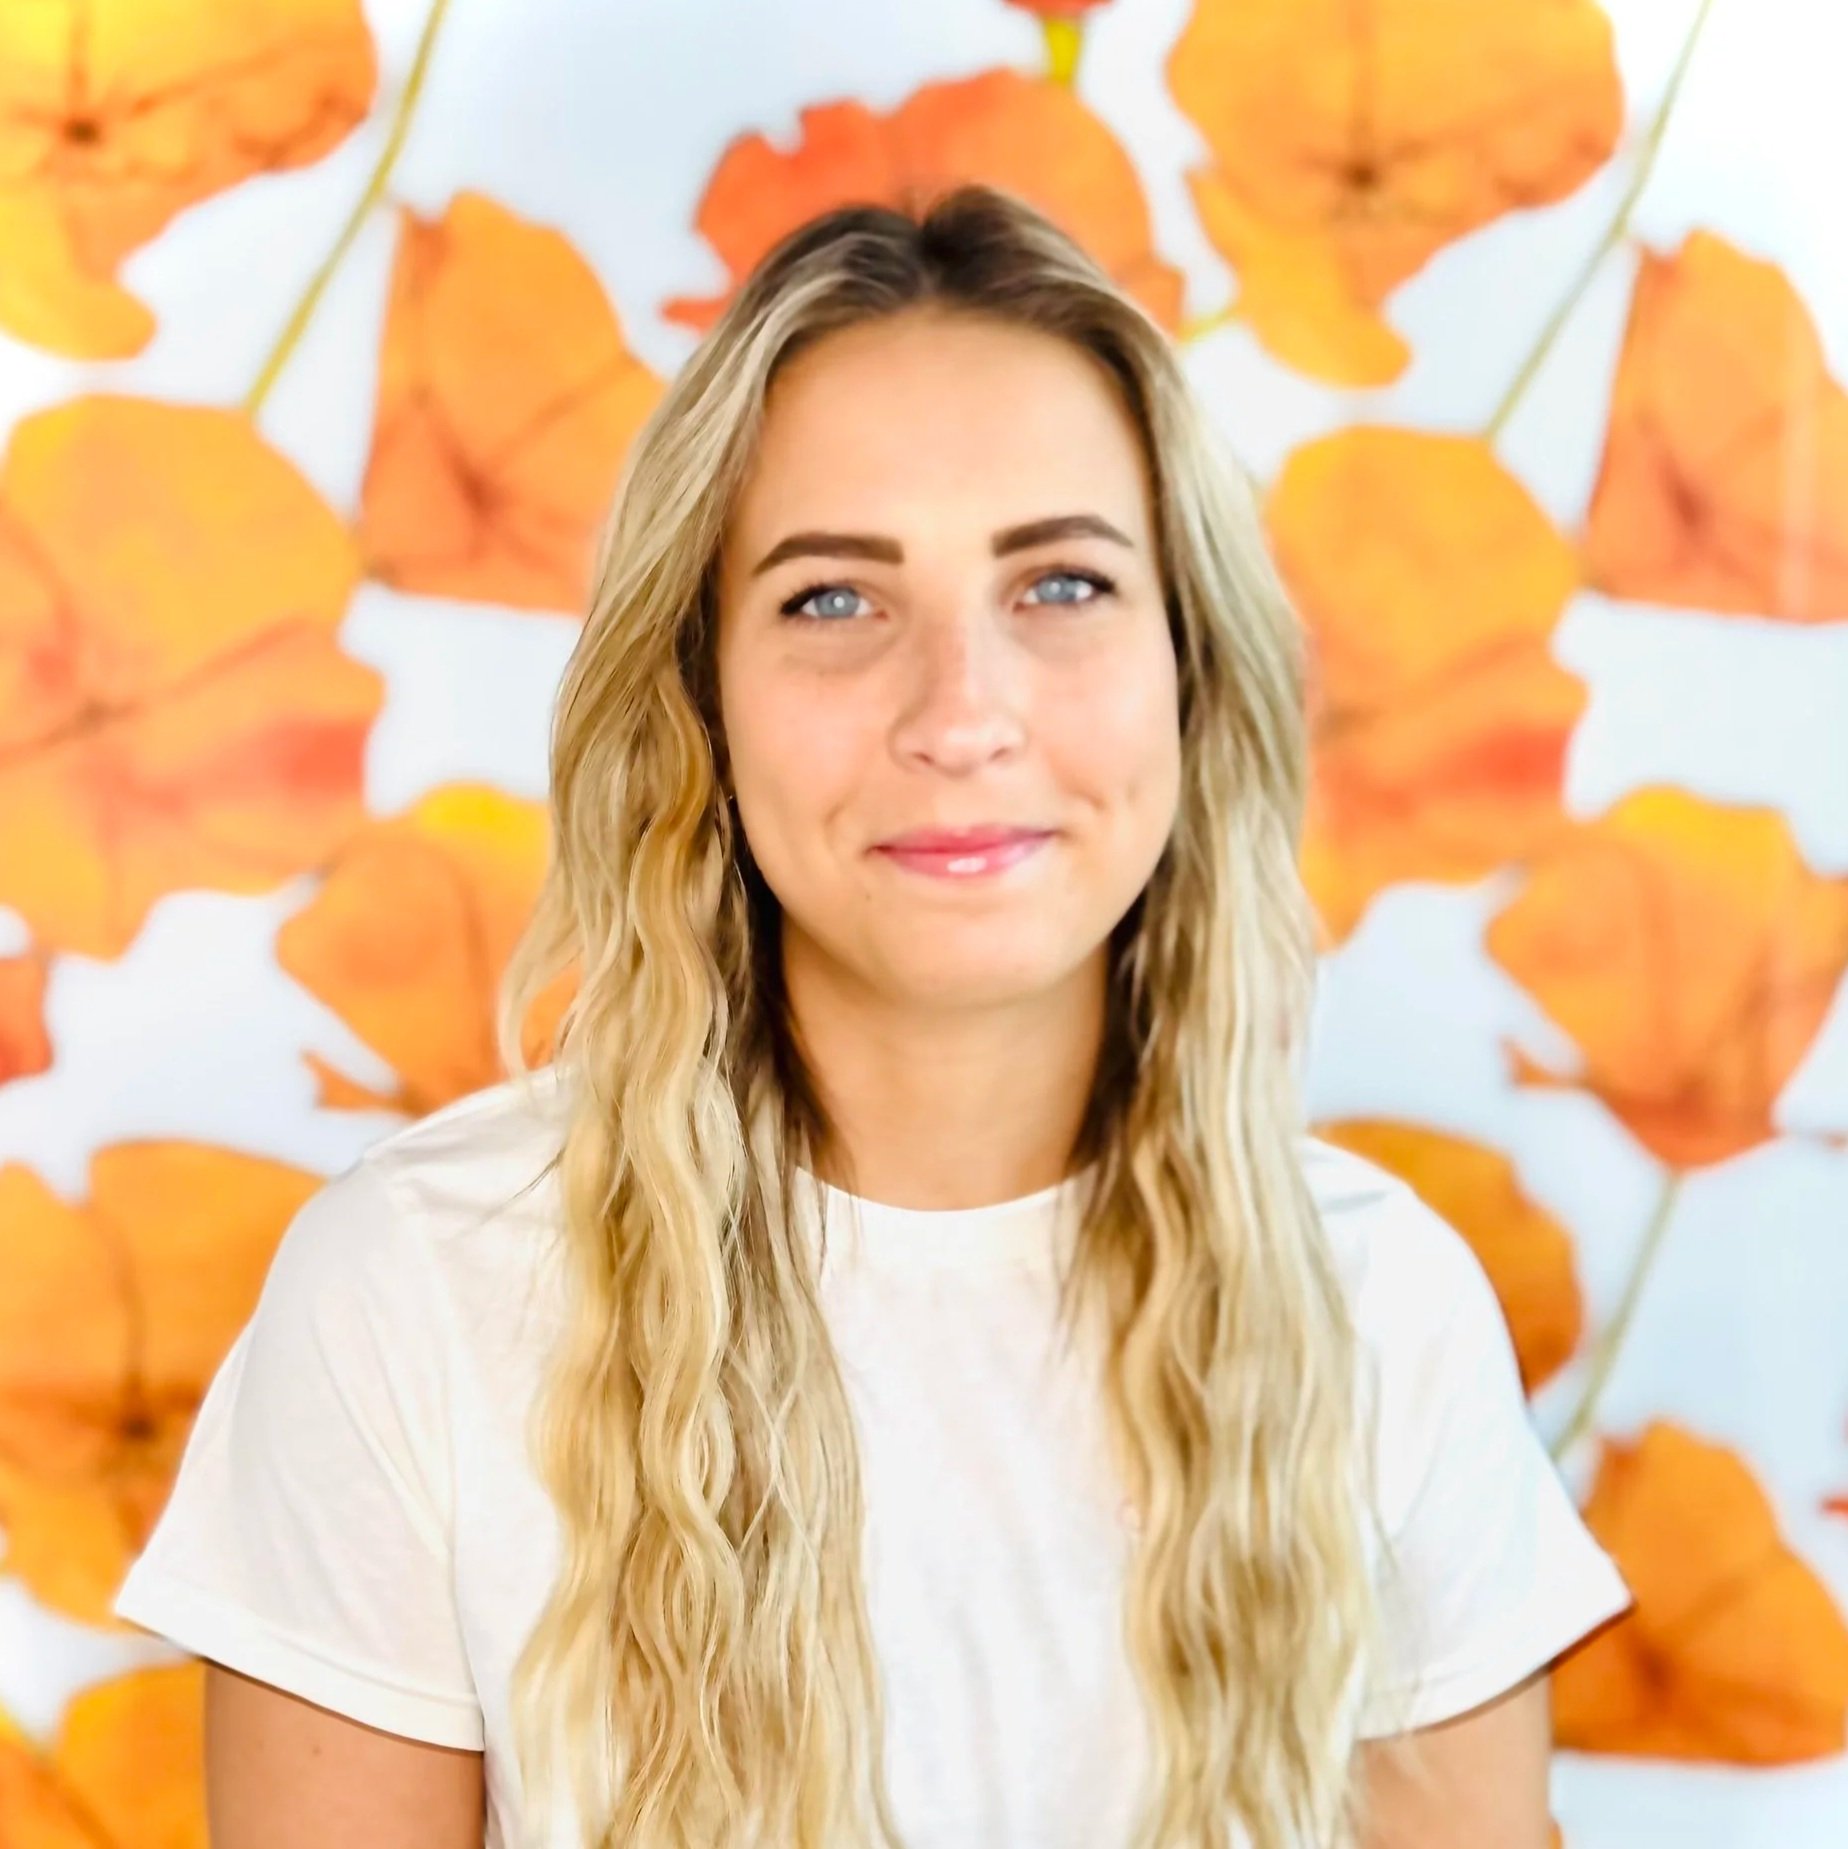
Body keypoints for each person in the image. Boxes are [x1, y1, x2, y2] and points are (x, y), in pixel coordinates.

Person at [114, 185, 1630, 1849]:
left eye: (1059, 584)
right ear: (695, 694)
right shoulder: (412, 1293)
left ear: (1192, 672)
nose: (961, 713)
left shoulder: (1379, 1306)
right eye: (834, 599)